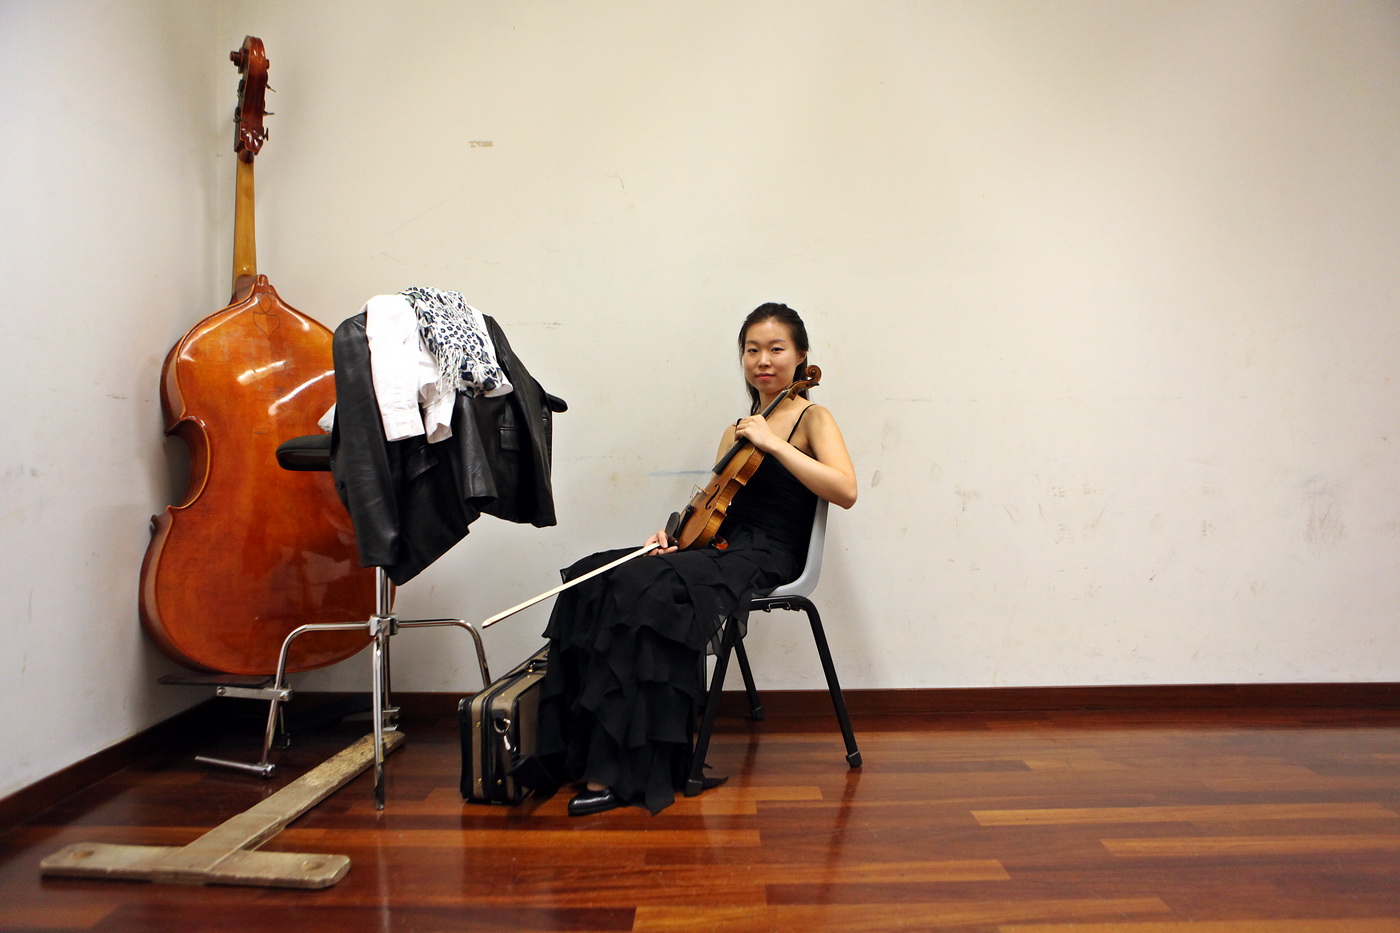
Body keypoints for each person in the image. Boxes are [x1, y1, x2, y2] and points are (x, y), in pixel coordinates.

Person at [525, 303, 857, 816]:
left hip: (771, 554)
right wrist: (676, 534)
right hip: (725, 546)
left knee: (651, 591)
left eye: (776, 349)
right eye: (752, 350)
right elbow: (717, 507)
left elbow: (845, 490)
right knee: (596, 574)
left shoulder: (813, 418)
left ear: (800, 356)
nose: (763, 360)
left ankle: (629, 769)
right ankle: (576, 751)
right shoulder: (737, 430)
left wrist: (774, 444)